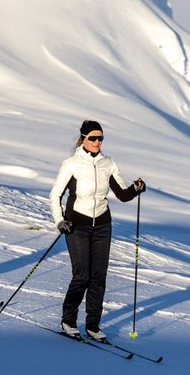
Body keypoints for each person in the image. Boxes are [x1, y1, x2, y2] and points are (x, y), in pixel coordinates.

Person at [48, 120, 144, 343]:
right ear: (83, 138)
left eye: (100, 138)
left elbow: (122, 194)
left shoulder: (107, 163)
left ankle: (93, 325)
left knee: (98, 277)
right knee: (82, 276)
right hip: (77, 225)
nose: (97, 142)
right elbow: (55, 195)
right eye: (93, 138)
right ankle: (68, 321)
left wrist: (136, 188)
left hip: (102, 225)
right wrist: (60, 221)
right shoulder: (71, 164)